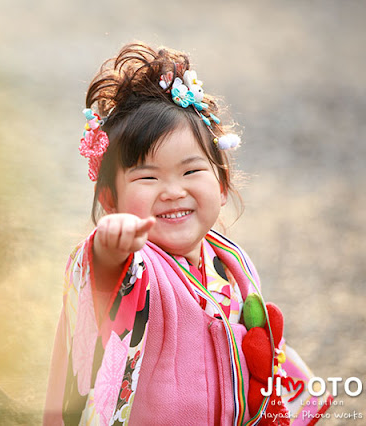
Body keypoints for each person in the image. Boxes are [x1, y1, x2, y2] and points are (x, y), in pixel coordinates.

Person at [44, 42, 332, 425]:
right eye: (148, 177)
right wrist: (110, 248)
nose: (173, 190)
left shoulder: (230, 263)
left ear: (222, 183)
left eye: (191, 171)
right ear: (111, 200)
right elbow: (103, 279)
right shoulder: (137, 264)